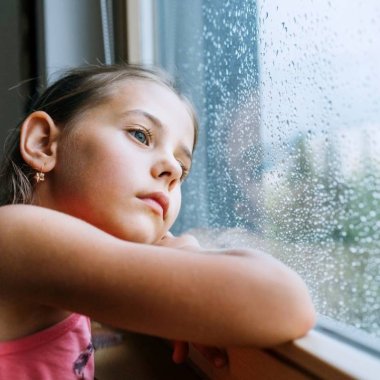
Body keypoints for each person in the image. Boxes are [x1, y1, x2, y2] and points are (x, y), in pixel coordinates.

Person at [0, 64, 315, 379]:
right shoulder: (15, 235)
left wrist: (190, 301)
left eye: (182, 165)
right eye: (140, 135)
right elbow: (283, 301)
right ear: (43, 143)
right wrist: (188, 256)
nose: (173, 170)